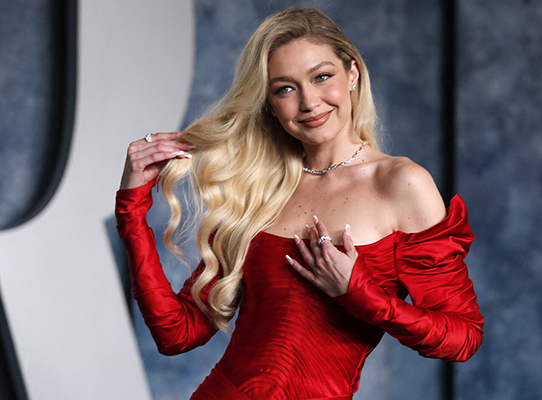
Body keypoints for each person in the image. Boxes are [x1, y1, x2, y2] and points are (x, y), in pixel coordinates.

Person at [116, 8, 483, 400]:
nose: (309, 102)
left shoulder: (401, 184)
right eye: (285, 89)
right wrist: (131, 210)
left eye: (322, 77)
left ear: (352, 74)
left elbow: (461, 338)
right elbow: (177, 333)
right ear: (270, 103)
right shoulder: (259, 190)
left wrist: (359, 293)